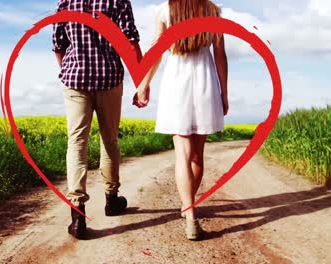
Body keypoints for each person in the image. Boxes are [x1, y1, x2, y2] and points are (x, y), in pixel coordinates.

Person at [133, 0, 229, 240]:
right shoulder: (213, 11)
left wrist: (144, 84)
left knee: (182, 155)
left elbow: (156, 50)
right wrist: (224, 93)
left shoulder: (165, 10)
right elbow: (220, 56)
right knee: (197, 156)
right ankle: (188, 207)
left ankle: (190, 215)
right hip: (205, 83)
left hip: (177, 85)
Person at [52, 0, 145, 239]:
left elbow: (58, 44)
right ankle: (111, 200)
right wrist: (142, 83)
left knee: (76, 143)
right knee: (110, 140)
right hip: (109, 79)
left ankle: (77, 216)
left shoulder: (66, 1)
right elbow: (131, 43)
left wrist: (70, 71)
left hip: (75, 79)